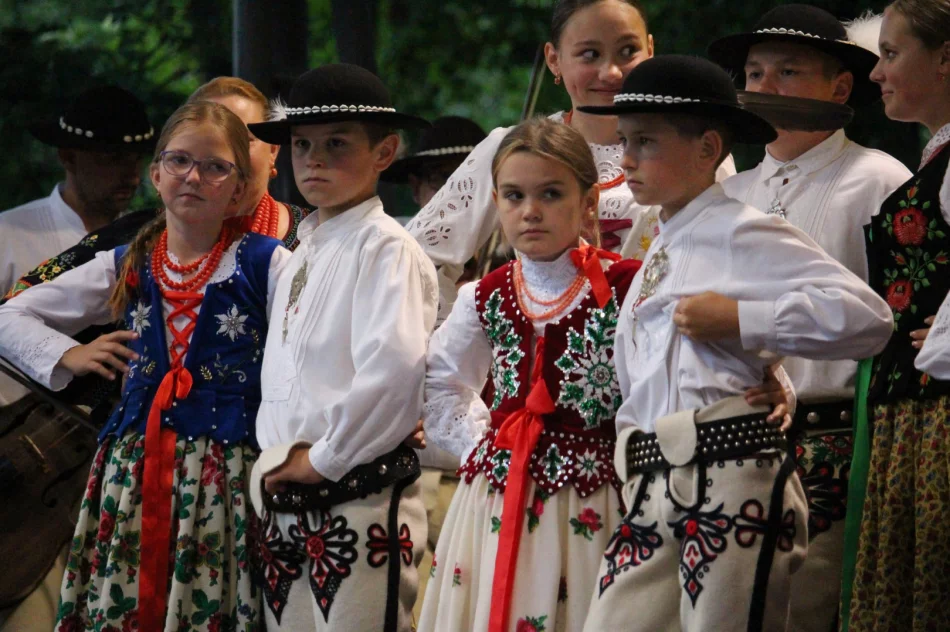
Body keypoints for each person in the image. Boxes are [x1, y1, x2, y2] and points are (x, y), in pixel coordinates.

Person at [578, 55, 894, 631]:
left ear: (706, 149)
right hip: (653, 477)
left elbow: (867, 318)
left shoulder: (742, 228)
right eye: (624, 140)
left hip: (728, 469)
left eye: (645, 141)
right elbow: (644, 376)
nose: (626, 158)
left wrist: (744, 319)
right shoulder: (662, 244)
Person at [0, 101, 291, 632]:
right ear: (155, 174)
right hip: (131, 468)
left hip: (226, 471)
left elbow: (311, 347)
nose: (194, 177)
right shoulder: (128, 260)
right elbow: (12, 312)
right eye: (179, 161)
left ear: (239, 185)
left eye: (215, 166)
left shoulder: (268, 261)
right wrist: (68, 353)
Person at [708, 6, 912, 629]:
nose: (765, 88)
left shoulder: (881, 182)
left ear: (841, 87)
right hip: (733, 443)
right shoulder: (728, 194)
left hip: (839, 443)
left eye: (788, 71)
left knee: (810, 611)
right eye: (754, 72)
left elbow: (902, 322)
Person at [246, 64, 438, 632]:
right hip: (288, 494)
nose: (314, 159)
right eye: (302, 144)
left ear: (385, 152)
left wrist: (323, 458)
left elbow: (396, 369)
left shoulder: (386, 247)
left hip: (359, 494)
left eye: (337, 143)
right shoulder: (299, 252)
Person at [406, 0, 738, 322]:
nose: (610, 72)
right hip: (542, 367)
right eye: (589, 54)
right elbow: (416, 260)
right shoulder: (510, 148)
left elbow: (730, 264)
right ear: (553, 59)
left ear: (650, 50)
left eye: (627, 51)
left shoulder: (692, 149)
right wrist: (478, 338)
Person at [843, 1, 950, 629]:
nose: (876, 74)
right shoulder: (939, 157)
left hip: (937, 410)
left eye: (890, 54)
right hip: (913, 407)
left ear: (944, 59)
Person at [0, 86, 153, 297]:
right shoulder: (8, 235)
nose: (133, 176)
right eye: (114, 159)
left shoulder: (146, 239)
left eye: (137, 159)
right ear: (68, 158)